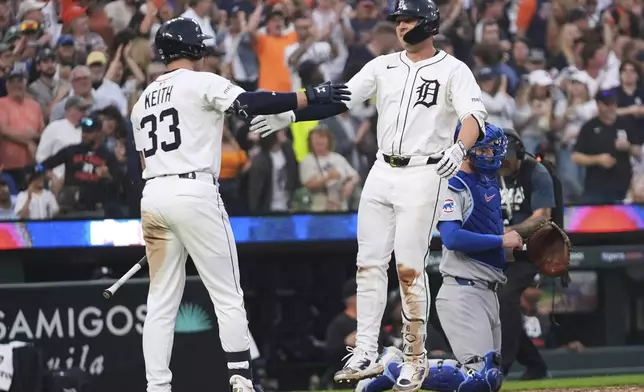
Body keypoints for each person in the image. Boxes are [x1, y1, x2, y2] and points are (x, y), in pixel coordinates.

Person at [250, 0, 488, 389]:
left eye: (408, 19)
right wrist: (289, 114)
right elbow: (339, 97)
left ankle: (415, 356)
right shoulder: (383, 65)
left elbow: (474, 117)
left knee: (409, 268)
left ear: (428, 23)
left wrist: (460, 148)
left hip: (425, 171)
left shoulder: (453, 69)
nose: (400, 26)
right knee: (368, 263)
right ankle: (364, 349)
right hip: (381, 168)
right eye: (398, 20)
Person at [129, 17, 350, 392]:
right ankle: (241, 380)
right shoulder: (199, 81)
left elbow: (144, 165)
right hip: (194, 190)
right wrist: (307, 97)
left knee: (161, 302)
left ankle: (157, 387)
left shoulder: (140, 101)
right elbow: (249, 103)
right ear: (194, 49)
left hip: (154, 195)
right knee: (227, 293)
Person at [497, 127, 557, 379]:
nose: (503, 162)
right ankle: (536, 365)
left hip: (531, 249)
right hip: (497, 248)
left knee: (505, 296)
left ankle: (503, 365)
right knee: (495, 304)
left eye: (508, 156)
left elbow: (543, 217)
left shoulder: (536, 172)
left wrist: (511, 231)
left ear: (519, 153)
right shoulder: (490, 172)